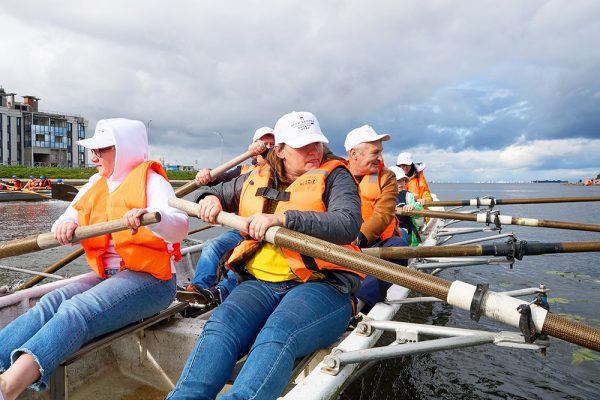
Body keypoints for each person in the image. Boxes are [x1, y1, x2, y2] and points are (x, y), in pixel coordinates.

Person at [167, 111, 363, 400]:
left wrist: (284, 220)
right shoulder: (256, 176)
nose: (314, 151)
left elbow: (347, 223)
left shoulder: (336, 175)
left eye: (316, 143)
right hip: (259, 284)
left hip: (321, 284)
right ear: (280, 150)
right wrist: (208, 198)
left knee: (277, 333)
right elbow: (214, 191)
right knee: (220, 327)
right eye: (303, 145)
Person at [0, 118, 188, 399]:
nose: (93, 157)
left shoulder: (152, 181)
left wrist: (149, 220)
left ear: (124, 149)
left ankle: (7, 387)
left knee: (76, 310)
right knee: (52, 301)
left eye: (102, 150)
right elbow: (68, 216)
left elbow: (179, 226)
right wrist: (64, 225)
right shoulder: (95, 183)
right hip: (108, 275)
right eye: (93, 150)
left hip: (152, 281)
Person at [186, 127, 275, 306]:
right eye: (264, 143)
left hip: (264, 235)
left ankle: (219, 292)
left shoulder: (280, 171)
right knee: (212, 244)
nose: (267, 147)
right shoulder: (244, 170)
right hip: (240, 230)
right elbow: (220, 180)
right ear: (252, 148)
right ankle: (198, 290)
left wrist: (266, 152)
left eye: (272, 145)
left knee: (244, 259)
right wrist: (207, 175)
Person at [344, 125, 408, 313]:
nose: (380, 158)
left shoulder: (386, 177)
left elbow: (384, 212)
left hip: (372, 243)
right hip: (339, 243)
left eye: (381, 152)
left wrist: (361, 236)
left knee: (399, 248)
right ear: (354, 153)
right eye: (375, 152)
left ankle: (357, 304)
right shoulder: (335, 173)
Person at [389, 165, 424, 246]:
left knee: (399, 233)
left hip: (404, 230)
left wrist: (413, 208)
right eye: (397, 181)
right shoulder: (382, 196)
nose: (401, 183)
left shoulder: (408, 196)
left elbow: (421, 220)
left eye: (403, 180)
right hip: (387, 230)